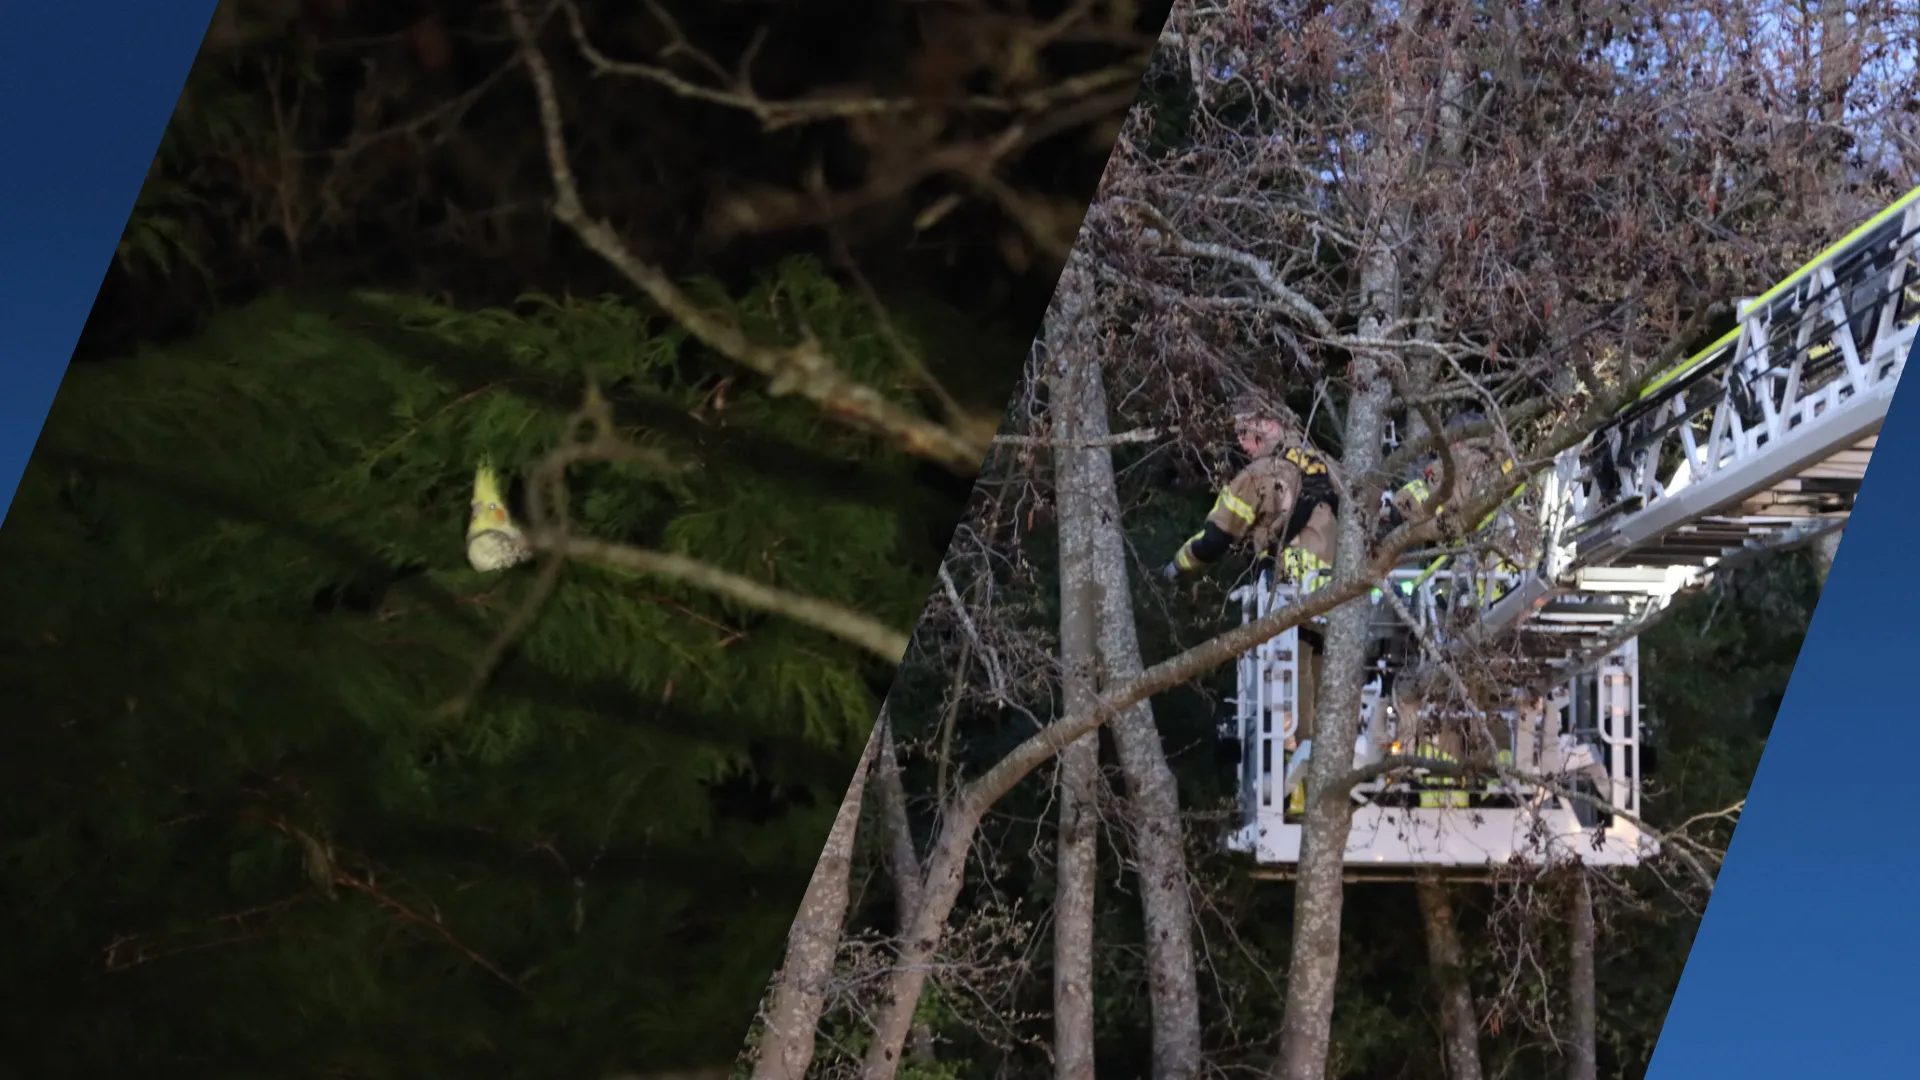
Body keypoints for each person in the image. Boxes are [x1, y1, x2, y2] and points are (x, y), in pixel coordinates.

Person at [1163, 398, 1340, 816]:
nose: (1243, 443)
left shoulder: (1259, 475)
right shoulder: (1332, 467)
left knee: (1290, 712)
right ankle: (1322, 794)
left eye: (1249, 432)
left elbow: (1213, 542)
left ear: (1274, 424)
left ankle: (1299, 799)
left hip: (1288, 602)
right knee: (1324, 701)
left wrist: (1174, 567)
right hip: (1336, 604)